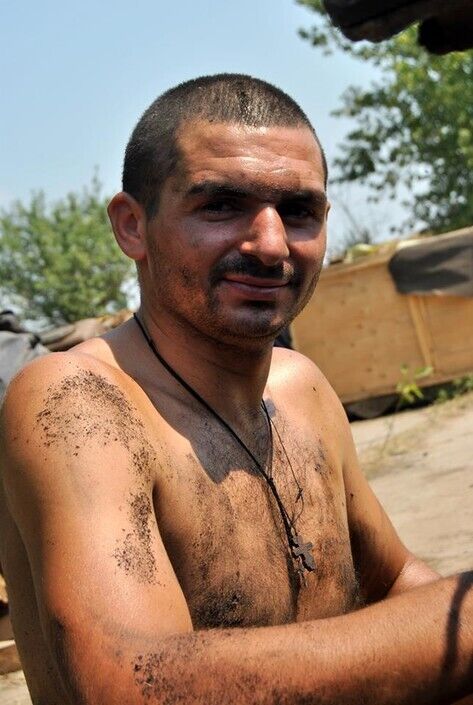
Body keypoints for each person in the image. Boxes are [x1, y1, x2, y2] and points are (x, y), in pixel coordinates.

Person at [0, 74, 471, 705]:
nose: (271, 246)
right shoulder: (79, 403)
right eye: (221, 205)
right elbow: (135, 683)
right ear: (132, 226)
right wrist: (460, 622)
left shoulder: (302, 387)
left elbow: (397, 579)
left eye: (298, 212)